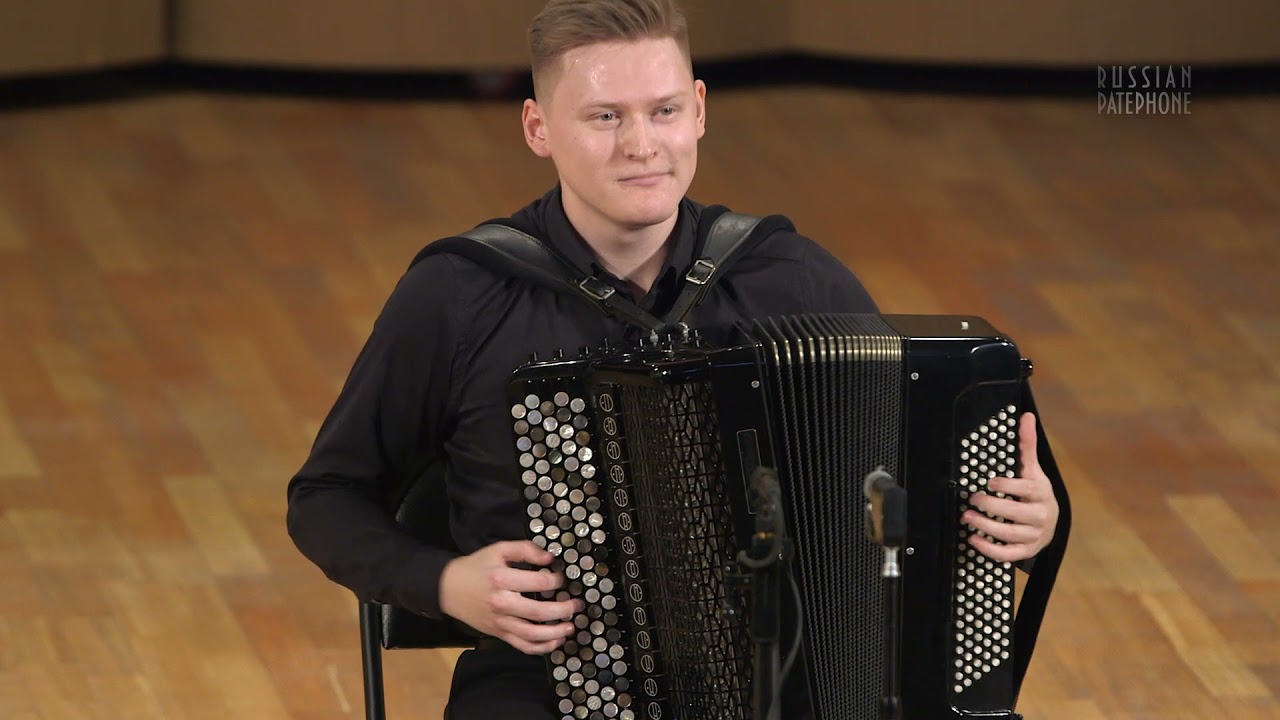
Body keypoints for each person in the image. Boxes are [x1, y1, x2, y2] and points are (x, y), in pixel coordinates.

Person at [285, 0, 1061, 717]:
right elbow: (326, 496)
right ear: (537, 128)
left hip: (791, 689)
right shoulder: (458, 296)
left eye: (662, 112)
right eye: (603, 116)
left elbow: (907, 487)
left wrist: (1031, 519)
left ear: (697, 110)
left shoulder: (794, 279)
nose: (640, 145)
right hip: (544, 692)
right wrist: (446, 582)